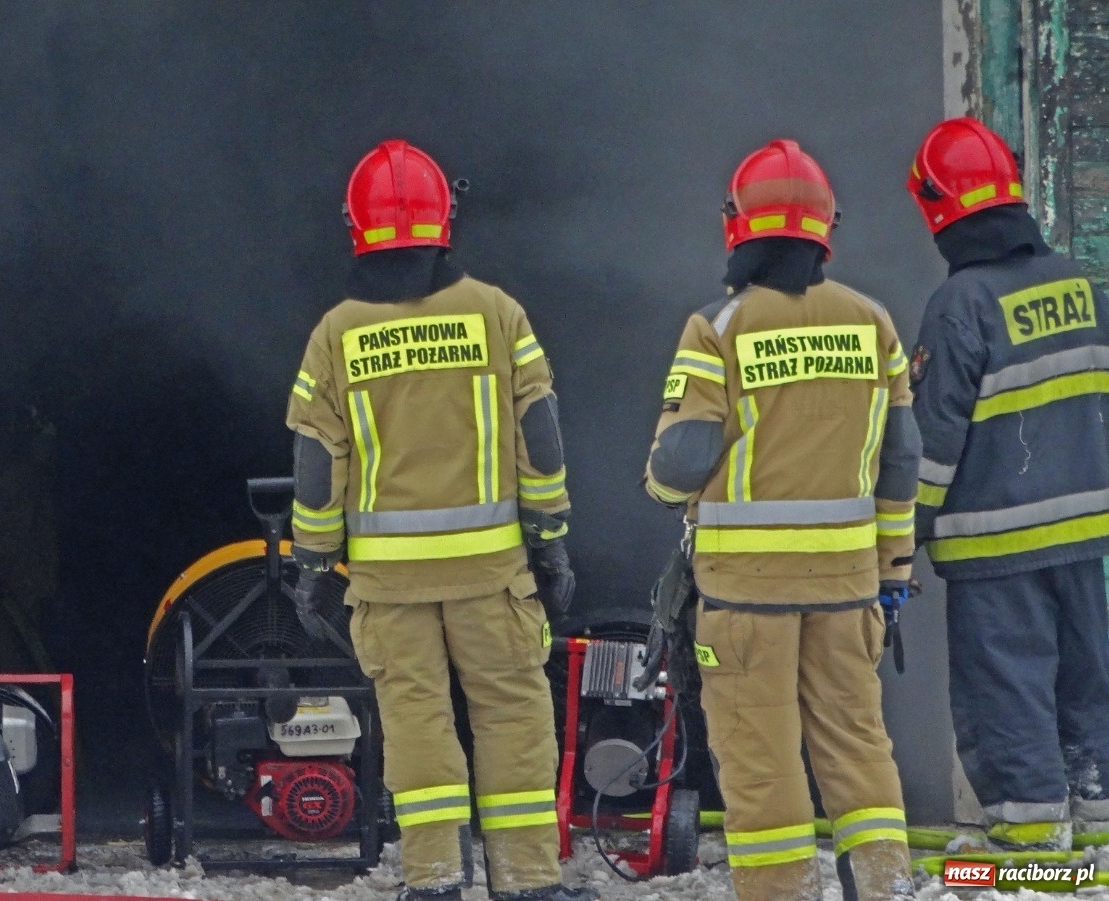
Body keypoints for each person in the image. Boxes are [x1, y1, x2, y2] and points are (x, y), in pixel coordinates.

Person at [286, 139, 593, 901]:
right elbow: (541, 435)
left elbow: (319, 465)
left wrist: (315, 562)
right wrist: (550, 535)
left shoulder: (336, 333)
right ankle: (526, 883)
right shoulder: (497, 312)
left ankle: (433, 881)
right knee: (514, 716)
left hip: (390, 585)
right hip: (492, 576)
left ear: (356, 227)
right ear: (444, 219)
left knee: (417, 727)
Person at [643, 139, 917, 900]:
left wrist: (665, 490)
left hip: (744, 597)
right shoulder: (872, 323)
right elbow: (900, 463)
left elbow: (680, 461)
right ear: (828, 225)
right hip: (849, 586)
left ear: (738, 224)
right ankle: (886, 885)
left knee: (761, 759)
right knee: (859, 747)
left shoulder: (719, 327)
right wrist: (894, 568)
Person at [905, 116, 1109, 850]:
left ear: (939, 209)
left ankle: (1027, 846)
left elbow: (930, 447)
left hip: (997, 543)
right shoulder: (1082, 285)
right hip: (1084, 536)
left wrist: (897, 541)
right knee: (1086, 681)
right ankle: (1097, 828)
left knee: (1009, 687)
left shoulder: (961, 305)